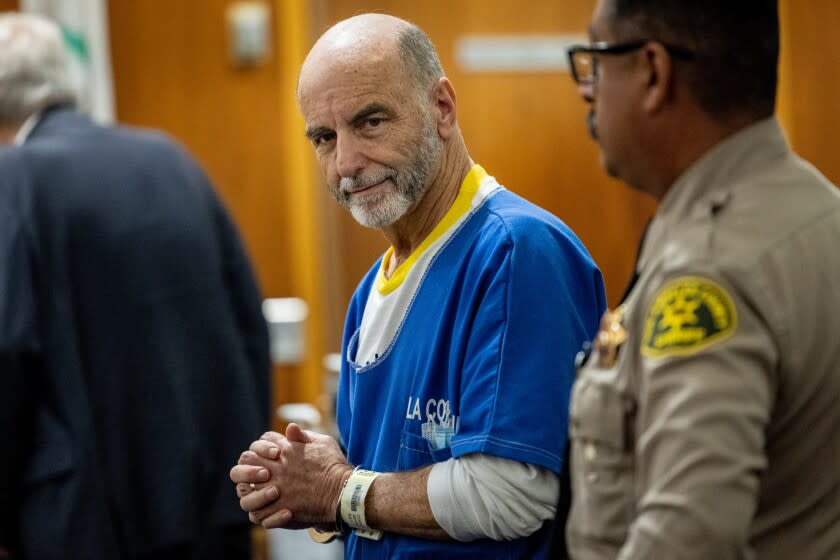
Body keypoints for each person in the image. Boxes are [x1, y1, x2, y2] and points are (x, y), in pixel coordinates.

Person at [229, 12, 606, 560]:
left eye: (371, 122)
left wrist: (338, 491)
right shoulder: (370, 294)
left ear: (442, 108)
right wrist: (305, 478)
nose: (347, 163)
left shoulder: (516, 251)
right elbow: (372, 488)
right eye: (324, 137)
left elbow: (512, 495)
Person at [563, 1, 840, 558]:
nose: (586, 90)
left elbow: (688, 538)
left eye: (595, 59)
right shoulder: (819, 210)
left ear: (653, 73)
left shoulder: (708, 267)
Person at [0, 13, 271, 560]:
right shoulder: (169, 157)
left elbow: (7, 351)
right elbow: (248, 322)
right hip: (212, 504)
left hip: (85, 522)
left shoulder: (14, 179)